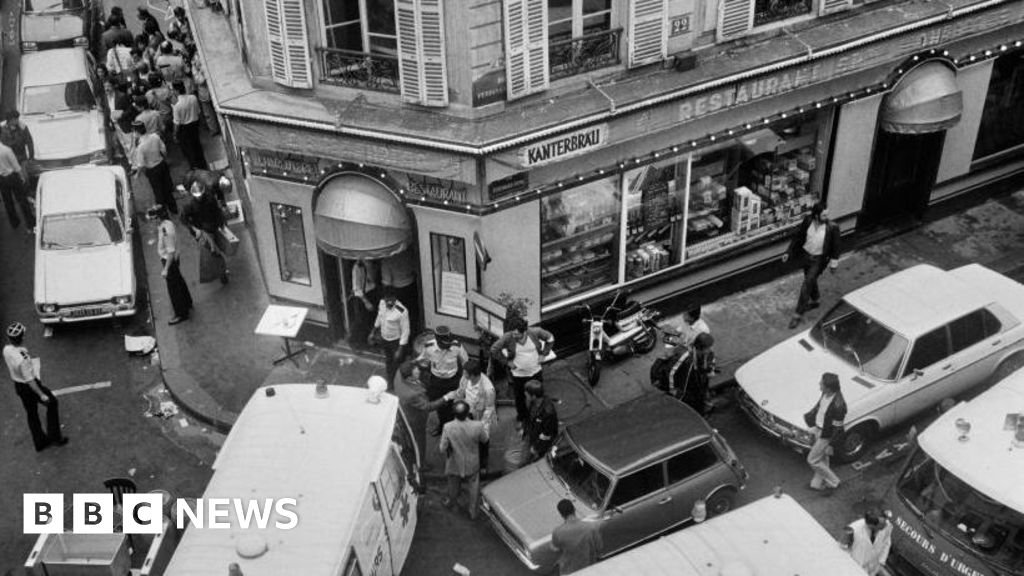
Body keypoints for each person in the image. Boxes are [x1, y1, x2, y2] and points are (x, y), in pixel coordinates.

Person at [4, 322, 68, 452]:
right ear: (22, 338)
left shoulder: (6, 350)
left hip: (18, 386)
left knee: (31, 414)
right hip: (29, 386)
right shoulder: (24, 359)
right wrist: (41, 394)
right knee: (52, 402)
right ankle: (55, 436)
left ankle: (40, 442)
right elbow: (30, 381)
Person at [783, 202, 841, 329]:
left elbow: (836, 247)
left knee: (807, 284)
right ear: (816, 215)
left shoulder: (832, 227)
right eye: (824, 215)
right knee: (811, 279)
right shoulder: (808, 221)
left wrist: (833, 264)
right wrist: (789, 252)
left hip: (818, 260)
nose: (827, 217)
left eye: (827, 215)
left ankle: (797, 314)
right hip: (806, 256)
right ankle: (816, 299)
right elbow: (798, 237)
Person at [490, 316, 554, 425]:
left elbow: (550, 338)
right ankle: (522, 417)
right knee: (519, 397)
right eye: (513, 333)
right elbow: (494, 349)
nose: (514, 336)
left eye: (517, 334)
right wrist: (506, 362)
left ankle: (540, 415)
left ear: (524, 331)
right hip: (518, 375)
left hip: (535, 371)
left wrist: (544, 353)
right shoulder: (508, 337)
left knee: (538, 395)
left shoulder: (535, 332)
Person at [439, 400, 489, 520]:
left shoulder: (448, 427)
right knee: (473, 487)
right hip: (472, 462)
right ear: (468, 412)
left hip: (455, 463)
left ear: (454, 413)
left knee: (453, 485)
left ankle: (452, 502)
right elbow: (485, 439)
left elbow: (442, 448)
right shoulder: (478, 425)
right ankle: (473, 511)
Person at [394, 360, 449, 465]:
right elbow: (427, 406)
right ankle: (421, 463)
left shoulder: (399, 373)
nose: (419, 372)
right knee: (419, 442)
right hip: (415, 420)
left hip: (406, 410)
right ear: (409, 378)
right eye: (416, 372)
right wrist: (446, 398)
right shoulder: (411, 394)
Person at [803, 372, 847, 493]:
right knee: (822, 459)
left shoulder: (839, 406)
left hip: (825, 435)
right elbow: (820, 409)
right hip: (819, 429)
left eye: (821, 384)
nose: (819, 385)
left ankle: (834, 481)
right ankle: (816, 484)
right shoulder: (825, 394)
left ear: (829, 387)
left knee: (812, 460)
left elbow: (838, 428)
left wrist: (830, 444)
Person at [451, 359, 496, 476]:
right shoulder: (465, 379)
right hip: (467, 413)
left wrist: (481, 425)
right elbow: (460, 392)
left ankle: (483, 464)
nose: (464, 375)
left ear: (473, 375)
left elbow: (489, 409)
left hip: (481, 417)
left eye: (466, 373)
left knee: (483, 441)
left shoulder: (488, 389)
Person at [420, 325, 469, 432]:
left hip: (452, 380)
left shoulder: (456, 346)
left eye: (449, 343)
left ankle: (451, 429)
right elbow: (424, 360)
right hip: (436, 381)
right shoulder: (429, 347)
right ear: (437, 340)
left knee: (452, 406)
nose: (448, 346)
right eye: (444, 344)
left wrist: (465, 380)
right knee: (440, 405)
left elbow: (466, 362)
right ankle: (442, 426)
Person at [180, 180, 229, 284]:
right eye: (197, 196)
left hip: (214, 227)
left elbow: (216, 211)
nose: (199, 197)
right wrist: (195, 229)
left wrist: (222, 223)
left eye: (200, 195)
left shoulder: (210, 198)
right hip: (202, 231)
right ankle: (221, 272)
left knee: (217, 249)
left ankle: (221, 271)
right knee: (212, 252)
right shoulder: (189, 205)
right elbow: (183, 219)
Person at [151, 204, 192, 324]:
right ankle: (187, 302)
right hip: (175, 258)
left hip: (169, 260)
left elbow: (170, 251)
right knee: (179, 281)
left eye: (154, 218)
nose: (152, 221)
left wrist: (166, 269)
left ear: (159, 218)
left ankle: (181, 313)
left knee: (173, 288)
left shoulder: (165, 231)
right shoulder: (168, 223)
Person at [131, 120, 177, 214]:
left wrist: (138, 174)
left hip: (152, 170)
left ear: (137, 132)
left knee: (158, 192)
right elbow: (163, 149)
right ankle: (174, 209)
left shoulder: (140, 147)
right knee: (167, 188)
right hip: (162, 165)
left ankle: (163, 213)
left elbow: (141, 164)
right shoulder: (155, 137)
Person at [665, 332, 716, 416]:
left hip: (700, 381)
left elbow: (712, 362)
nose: (711, 349)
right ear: (701, 348)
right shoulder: (685, 355)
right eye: (708, 347)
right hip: (688, 383)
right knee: (691, 401)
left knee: (700, 397)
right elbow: (671, 372)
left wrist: (711, 370)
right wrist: (672, 388)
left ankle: (703, 412)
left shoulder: (708, 353)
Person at [551, 499, 603, 575]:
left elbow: (555, 548)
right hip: (589, 569)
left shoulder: (558, 532)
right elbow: (599, 548)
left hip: (569, 571)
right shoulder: (591, 527)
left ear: (561, 514)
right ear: (574, 509)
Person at [371, 288, 410, 388]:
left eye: (391, 299)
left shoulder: (402, 311)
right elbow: (379, 317)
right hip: (385, 339)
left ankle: (397, 383)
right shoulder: (382, 303)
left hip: (395, 342)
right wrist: (373, 332)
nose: (389, 301)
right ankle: (391, 381)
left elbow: (405, 331)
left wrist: (400, 349)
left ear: (395, 298)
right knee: (388, 361)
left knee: (397, 363)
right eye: (386, 299)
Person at [843, 508, 893, 576]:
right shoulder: (854, 529)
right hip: (854, 567)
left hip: (872, 568)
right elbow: (842, 549)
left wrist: (881, 561)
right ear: (871, 526)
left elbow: (887, 542)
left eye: (885, 521)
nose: (885, 525)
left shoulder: (887, 526)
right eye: (881, 526)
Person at [380, 250, 418, 331]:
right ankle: (415, 329)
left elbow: (387, 282)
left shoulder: (387, 260)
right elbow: (415, 268)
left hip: (399, 291)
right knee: (413, 311)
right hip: (412, 286)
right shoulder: (407, 253)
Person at [172, 82, 207, 170]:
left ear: (176, 91)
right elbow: (199, 112)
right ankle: (203, 165)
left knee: (189, 149)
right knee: (197, 145)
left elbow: (177, 123)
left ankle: (195, 168)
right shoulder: (193, 98)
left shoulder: (177, 106)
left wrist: (175, 135)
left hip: (185, 129)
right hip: (195, 126)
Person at [0, 140, 33, 230]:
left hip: (1, 179)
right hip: (12, 177)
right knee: (22, 200)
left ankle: (14, 223)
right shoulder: (6, 150)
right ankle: (30, 222)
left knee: (8, 202)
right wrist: (21, 176)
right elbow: (16, 166)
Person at [524, 380, 558, 461]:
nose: (525, 395)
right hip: (533, 435)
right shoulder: (532, 402)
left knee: (535, 459)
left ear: (534, 396)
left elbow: (546, 434)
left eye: (527, 394)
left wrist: (536, 448)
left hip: (542, 444)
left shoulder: (548, 412)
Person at [349, 258, 379, 348]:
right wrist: (366, 302)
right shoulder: (358, 267)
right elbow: (357, 288)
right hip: (362, 296)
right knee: (361, 319)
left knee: (369, 319)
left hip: (372, 292)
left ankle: (367, 340)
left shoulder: (372, 263)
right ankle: (355, 342)